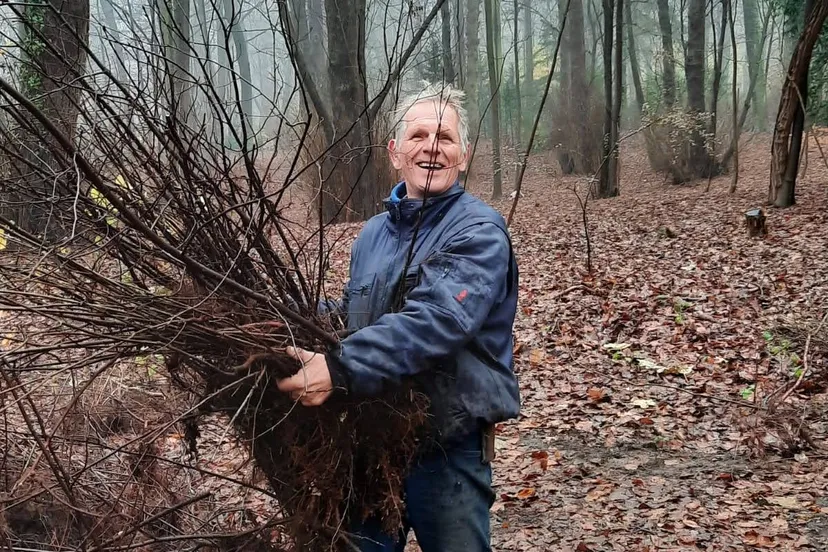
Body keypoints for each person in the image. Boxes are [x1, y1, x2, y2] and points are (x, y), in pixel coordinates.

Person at [276, 82, 520, 552]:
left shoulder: (479, 230)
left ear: (463, 156)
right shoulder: (372, 235)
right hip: (372, 441)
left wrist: (341, 367)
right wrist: (288, 322)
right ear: (395, 152)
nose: (432, 147)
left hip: (448, 447)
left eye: (446, 138)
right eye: (419, 135)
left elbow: (437, 318)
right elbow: (358, 314)